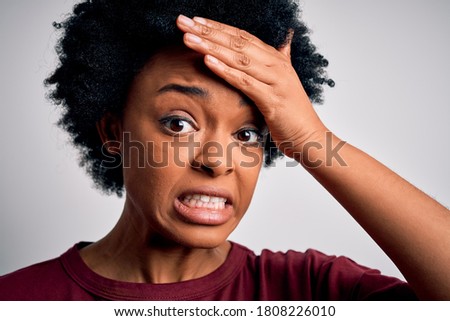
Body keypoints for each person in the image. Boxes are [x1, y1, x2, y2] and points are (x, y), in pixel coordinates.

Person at [0, 0, 449, 300]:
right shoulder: (20, 299)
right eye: (179, 123)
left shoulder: (307, 291)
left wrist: (312, 140)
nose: (217, 161)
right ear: (113, 132)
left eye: (248, 134)